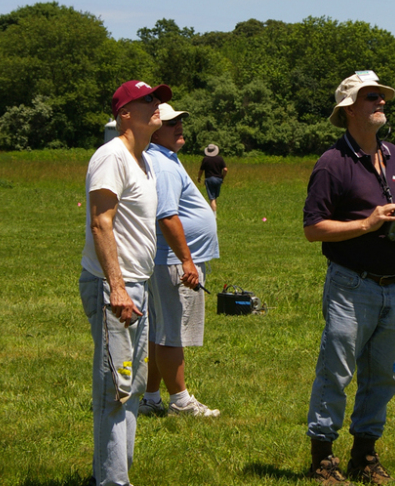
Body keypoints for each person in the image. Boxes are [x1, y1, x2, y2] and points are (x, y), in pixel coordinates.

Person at [302, 70, 395, 485]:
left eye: (382, 97)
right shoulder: (332, 163)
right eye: (371, 97)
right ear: (349, 109)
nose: (381, 103)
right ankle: (323, 457)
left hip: (394, 285)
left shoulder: (394, 155)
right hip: (350, 284)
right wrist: (365, 224)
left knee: (383, 375)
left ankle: (364, 455)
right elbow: (313, 228)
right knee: (336, 374)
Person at [79, 79, 171, 486]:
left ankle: (119, 475)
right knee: (114, 391)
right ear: (124, 114)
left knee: (131, 388)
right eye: (147, 100)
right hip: (113, 288)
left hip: (138, 286)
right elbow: (102, 223)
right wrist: (116, 287)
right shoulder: (111, 156)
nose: (157, 106)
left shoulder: (144, 160)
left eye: (157, 99)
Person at [139, 104, 221, 419]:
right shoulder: (161, 164)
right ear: (154, 129)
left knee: (160, 330)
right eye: (171, 122)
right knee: (173, 332)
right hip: (174, 261)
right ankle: (181, 401)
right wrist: (187, 261)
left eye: (180, 122)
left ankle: (150, 399)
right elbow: (167, 215)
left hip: (171, 259)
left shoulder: (163, 160)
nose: (178, 127)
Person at [197, 144, 227, 213]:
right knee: (215, 197)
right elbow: (225, 169)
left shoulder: (205, 159)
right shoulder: (220, 158)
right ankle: (214, 211)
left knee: (212, 198)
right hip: (218, 179)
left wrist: (199, 178)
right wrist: (222, 177)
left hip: (209, 179)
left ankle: (214, 215)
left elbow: (201, 171)